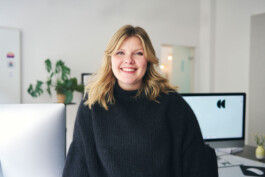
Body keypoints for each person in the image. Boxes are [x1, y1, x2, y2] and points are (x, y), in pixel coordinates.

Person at [62, 25, 218, 177]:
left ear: (148, 60)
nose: (128, 60)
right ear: (110, 59)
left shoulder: (172, 104)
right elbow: (78, 163)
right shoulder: (93, 103)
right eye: (120, 53)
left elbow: (197, 163)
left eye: (138, 53)